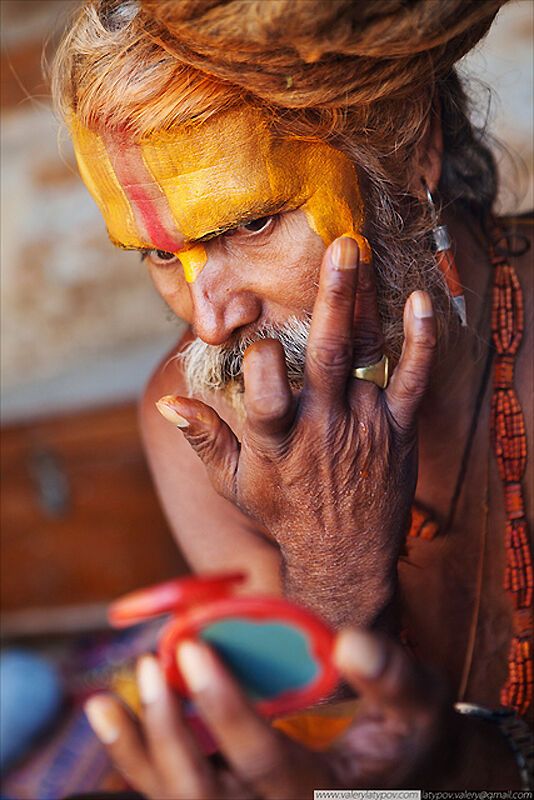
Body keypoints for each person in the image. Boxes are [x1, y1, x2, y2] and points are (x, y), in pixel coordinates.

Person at [50, 0, 533, 793]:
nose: (210, 318)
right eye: (160, 257)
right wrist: (331, 570)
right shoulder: (190, 423)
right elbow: (332, 780)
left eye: (252, 223)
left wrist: (470, 767)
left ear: (417, 152)